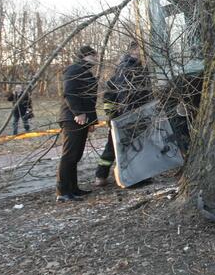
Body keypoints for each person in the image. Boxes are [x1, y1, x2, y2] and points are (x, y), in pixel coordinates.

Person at [95, 42, 151, 186]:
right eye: (139, 51)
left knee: (112, 146)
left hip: (121, 116)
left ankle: (101, 176)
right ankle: (134, 178)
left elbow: (108, 97)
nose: (141, 54)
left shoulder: (118, 73)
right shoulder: (135, 71)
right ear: (133, 51)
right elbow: (143, 95)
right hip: (131, 116)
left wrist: (112, 115)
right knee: (132, 147)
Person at [56, 45, 99, 202]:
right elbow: (70, 93)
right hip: (72, 119)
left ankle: (73, 189)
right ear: (85, 56)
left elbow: (89, 100)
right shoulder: (73, 70)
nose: (97, 59)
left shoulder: (85, 72)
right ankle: (62, 192)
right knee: (69, 155)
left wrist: (91, 121)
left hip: (82, 119)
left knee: (76, 156)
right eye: (94, 56)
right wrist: (78, 113)